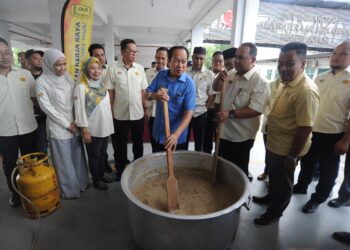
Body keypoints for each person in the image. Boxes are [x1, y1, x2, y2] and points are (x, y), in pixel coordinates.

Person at [253, 42, 319, 225]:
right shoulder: (285, 82)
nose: (283, 68)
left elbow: (305, 128)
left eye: (290, 63)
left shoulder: (305, 90)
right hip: (275, 142)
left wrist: (292, 156)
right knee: (274, 175)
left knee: (284, 182)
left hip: (287, 148)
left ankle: (275, 212)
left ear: (303, 64)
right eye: (280, 63)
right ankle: (271, 197)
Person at [299, 40, 350, 213]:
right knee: (307, 162)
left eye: (343, 53)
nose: (336, 57)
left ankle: (318, 198)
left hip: (333, 134)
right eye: (334, 53)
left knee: (328, 171)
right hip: (312, 130)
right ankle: (301, 186)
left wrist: (345, 140)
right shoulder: (321, 77)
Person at [36, 48, 88, 199]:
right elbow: (47, 108)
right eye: (58, 65)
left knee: (77, 157)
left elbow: (75, 99)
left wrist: (77, 120)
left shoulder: (67, 77)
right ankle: (70, 191)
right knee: (64, 162)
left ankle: (81, 184)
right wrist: (67, 124)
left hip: (74, 124)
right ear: (49, 64)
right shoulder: (41, 82)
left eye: (64, 64)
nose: (62, 68)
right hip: (58, 128)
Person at [213, 43, 269, 179]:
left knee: (237, 169)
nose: (236, 61)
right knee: (221, 163)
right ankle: (222, 189)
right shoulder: (231, 73)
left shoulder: (260, 82)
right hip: (223, 131)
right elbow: (216, 88)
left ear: (253, 60)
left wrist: (230, 114)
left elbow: (256, 109)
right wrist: (219, 79)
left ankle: (241, 197)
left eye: (241, 58)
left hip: (241, 136)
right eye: (236, 57)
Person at [0, 37, 38, 207]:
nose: (5, 57)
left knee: (32, 162)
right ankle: (16, 194)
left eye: (7, 52)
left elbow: (35, 99)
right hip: (4, 131)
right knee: (10, 165)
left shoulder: (25, 74)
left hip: (29, 127)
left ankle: (35, 191)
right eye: (0, 54)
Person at [106, 39, 148, 181]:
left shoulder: (140, 69)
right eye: (131, 51)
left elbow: (143, 91)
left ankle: (137, 167)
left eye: (136, 51)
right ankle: (120, 168)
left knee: (138, 143)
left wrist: (145, 107)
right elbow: (111, 92)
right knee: (120, 144)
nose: (134, 54)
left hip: (138, 113)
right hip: (120, 114)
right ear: (123, 52)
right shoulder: (112, 69)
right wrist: (110, 112)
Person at [74, 57, 114, 190]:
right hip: (92, 129)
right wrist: (84, 131)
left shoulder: (102, 85)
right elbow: (79, 111)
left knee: (103, 154)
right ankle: (96, 179)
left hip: (105, 127)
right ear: (86, 69)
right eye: (92, 68)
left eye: (99, 68)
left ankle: (102, 174)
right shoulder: (81, 87)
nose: (96, 71)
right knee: (94, 156)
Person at [146, 46, 195, 152]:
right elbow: (147, 94)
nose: (180, 65)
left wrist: (175, 135)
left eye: (184, 61)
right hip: (157, 132)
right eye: (177, 61)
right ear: (169, 61)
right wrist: (154, 96)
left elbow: (189, 113)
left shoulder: (189, 84)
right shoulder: (161, 75)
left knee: (175, 167)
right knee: (158, 164)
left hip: (176, 137)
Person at [88, 43, 114, 175]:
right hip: (93, 118)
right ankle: (99, 172)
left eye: (102, 55)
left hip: (108, 113)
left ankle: (104, 165)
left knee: (105, 145)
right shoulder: (86, 77)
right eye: (96, 55)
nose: (100, 57)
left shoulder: (111, 69)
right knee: (95, 150)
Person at [185, 47, 215, 151]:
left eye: (201, 58)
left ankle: (197, 163)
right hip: (185, 111)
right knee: (184, 139)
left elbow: (211, 94)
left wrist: (206, 108)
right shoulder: (185, 72)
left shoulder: (209, 74)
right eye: (196, 58)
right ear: (192, 57)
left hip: (200, 112)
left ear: (204, 59)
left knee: (199, 141)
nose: (198, 61)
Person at [257, 77, 282, 181]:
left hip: (283, 127)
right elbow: (264, 104)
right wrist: (270, 117)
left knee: (279, 155)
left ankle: (275, 177)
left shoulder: (297, 87)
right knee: (268, 151)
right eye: (280, 64)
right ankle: (267, 171)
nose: (283, 68)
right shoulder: (269, 85)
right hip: (268, 124)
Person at [145, 47, 169, 153]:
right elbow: (145, 92)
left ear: (167, 59)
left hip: (166, 114)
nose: (160, 61)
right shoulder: (148, 72)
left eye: (163, 58)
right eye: (158, 58)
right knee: (154, 140)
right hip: (151, 113)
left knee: (165, 141)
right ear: (155, 57)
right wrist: (145, 109)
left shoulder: (170, 73)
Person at [25, 49, 48, 154]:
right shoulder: (25, 77)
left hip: (50, 114)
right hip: (35, 116)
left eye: (41, 59)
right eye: (36, 58)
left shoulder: (48, 76)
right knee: (40, 143)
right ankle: (42, 166)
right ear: (29, 61)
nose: (39, 61)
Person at [203, 51, 224, 154]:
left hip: (221, 111)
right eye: (215, 61)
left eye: (220, 61)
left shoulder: (227, 76)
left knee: (219, 137)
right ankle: (207, 155)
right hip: (208, 109)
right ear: (212, 61)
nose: (217, 63)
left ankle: (218, 157)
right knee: (207, 136)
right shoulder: (207, 74)